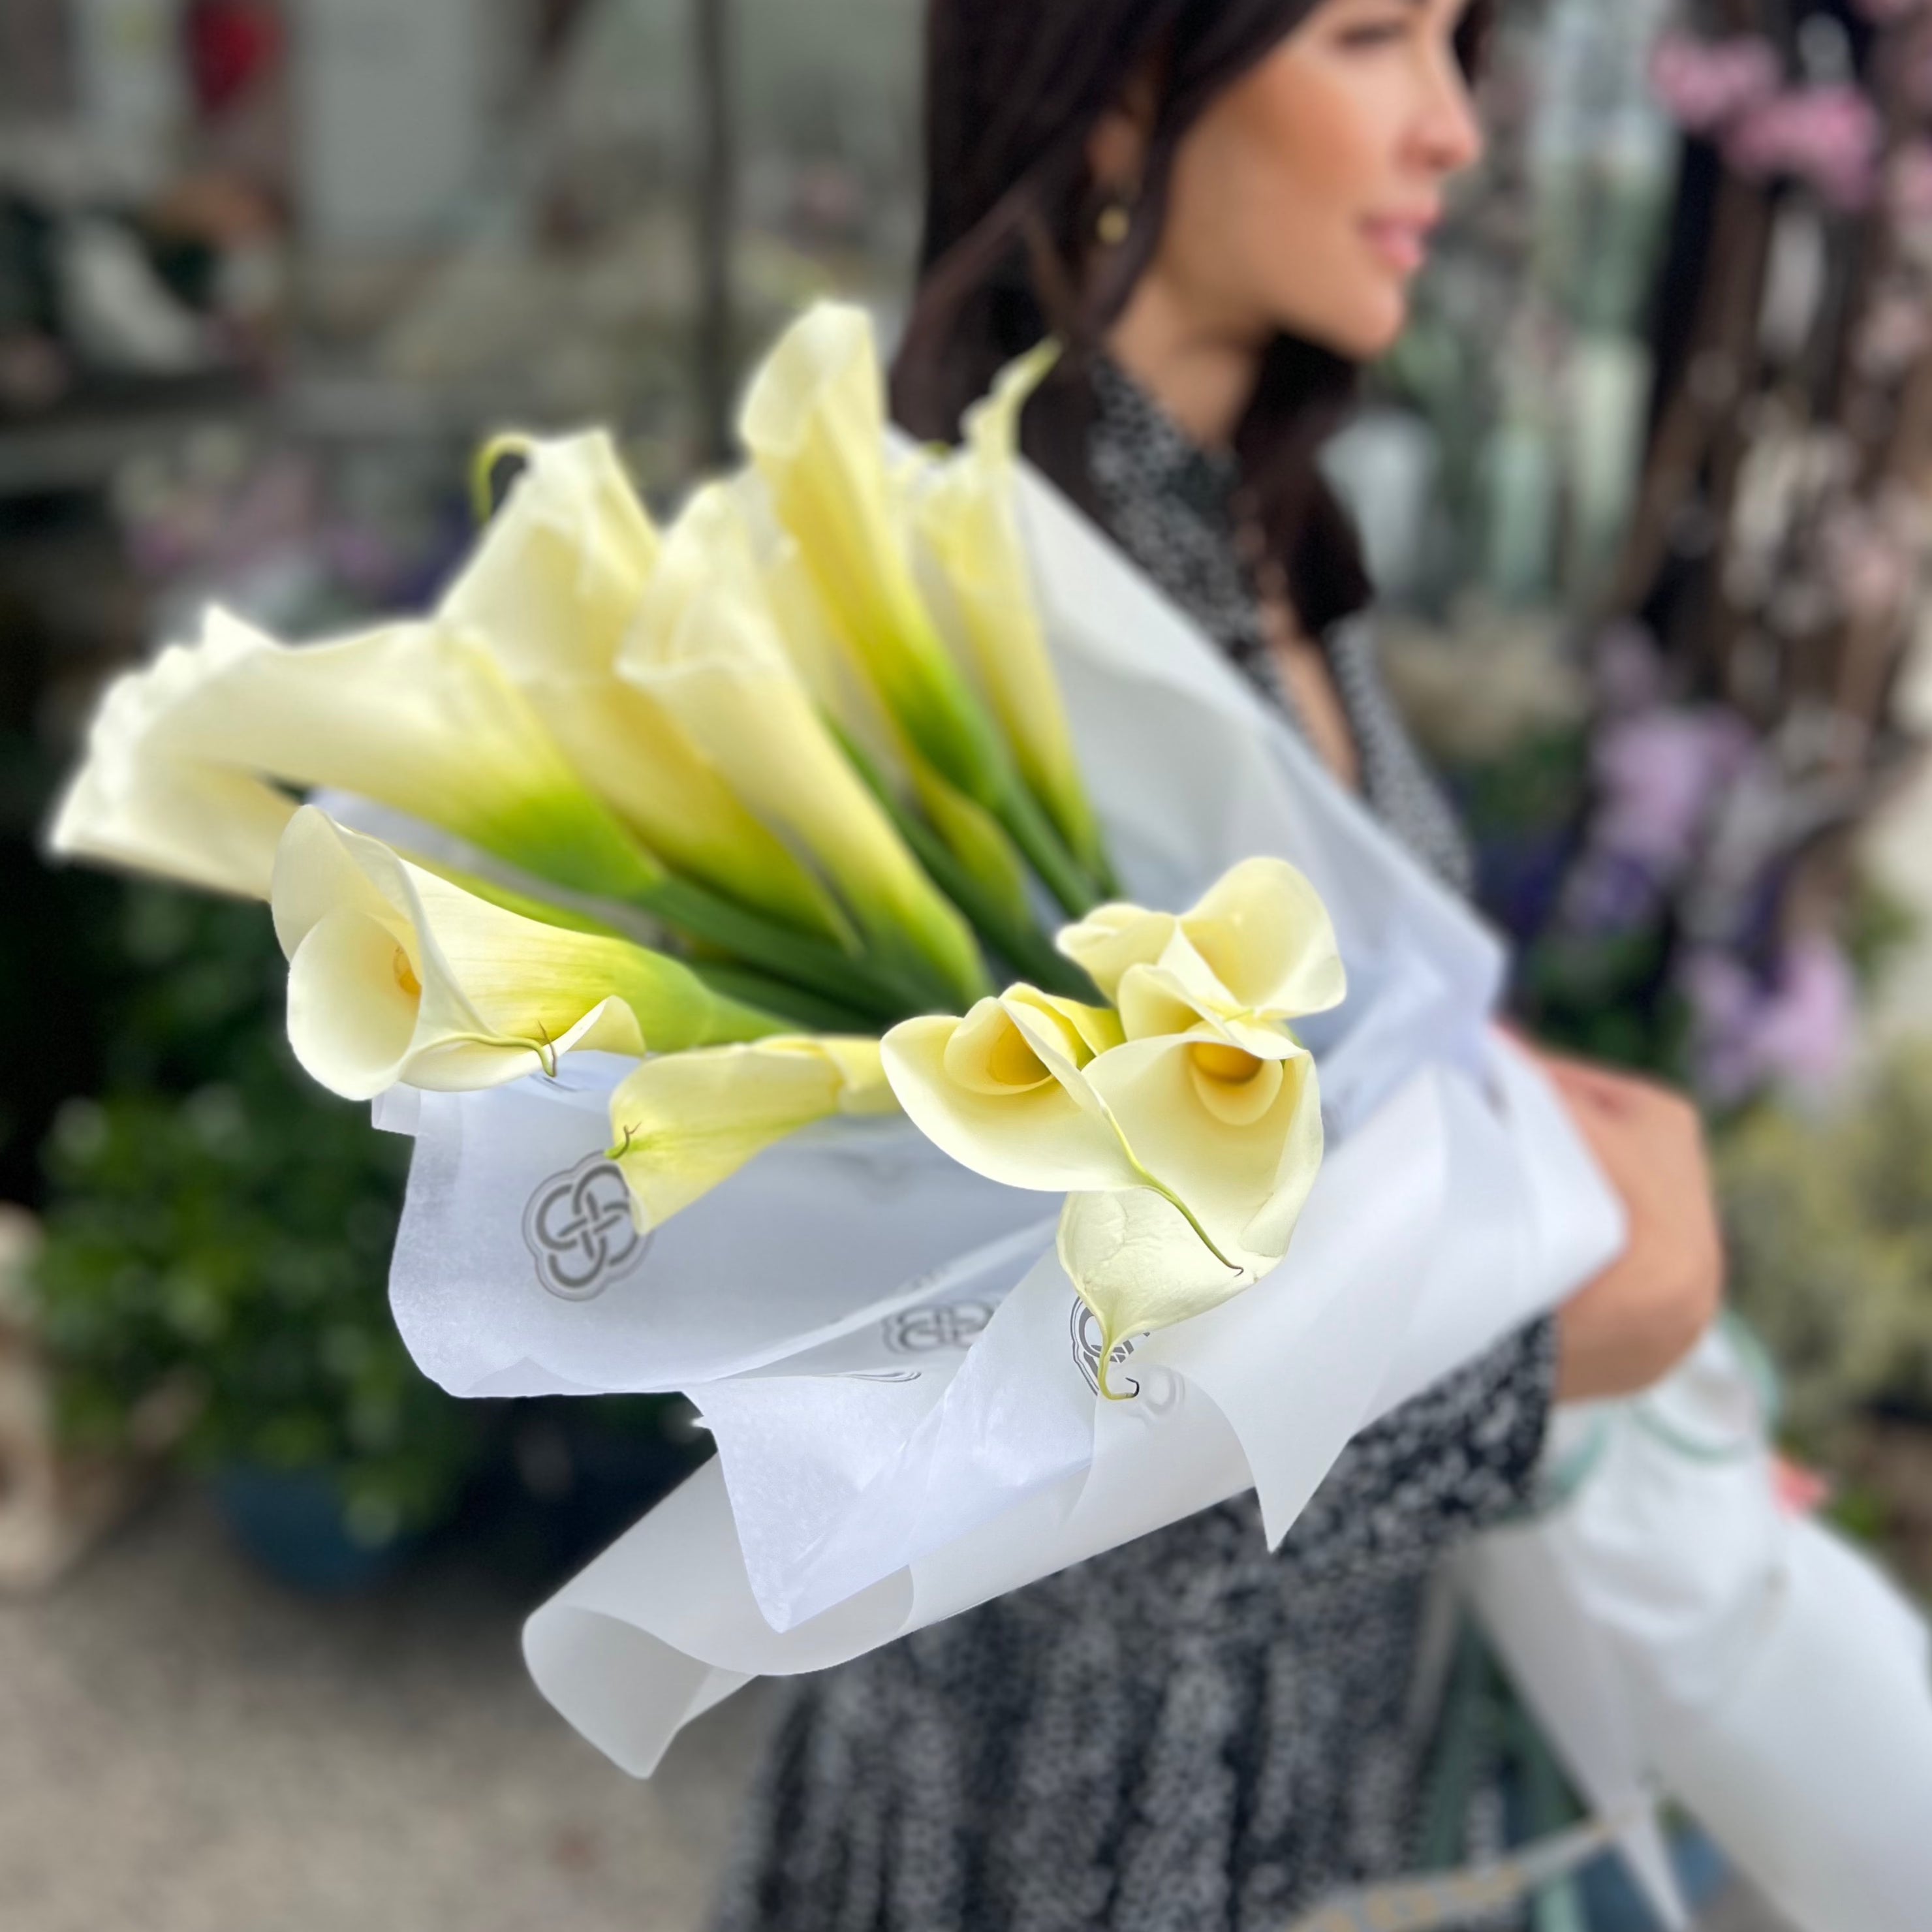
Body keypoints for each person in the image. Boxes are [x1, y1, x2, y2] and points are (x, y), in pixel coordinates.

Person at [713, 4, 1725, 1927]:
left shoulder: (1249, 531)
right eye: (1369, 39)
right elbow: (962, 1414)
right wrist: (1567, 1346)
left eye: (1458, 44)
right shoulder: (972, 607)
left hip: (1299, 1753)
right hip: (1054, 1811)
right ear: (1114, 97)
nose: (1456, 130)